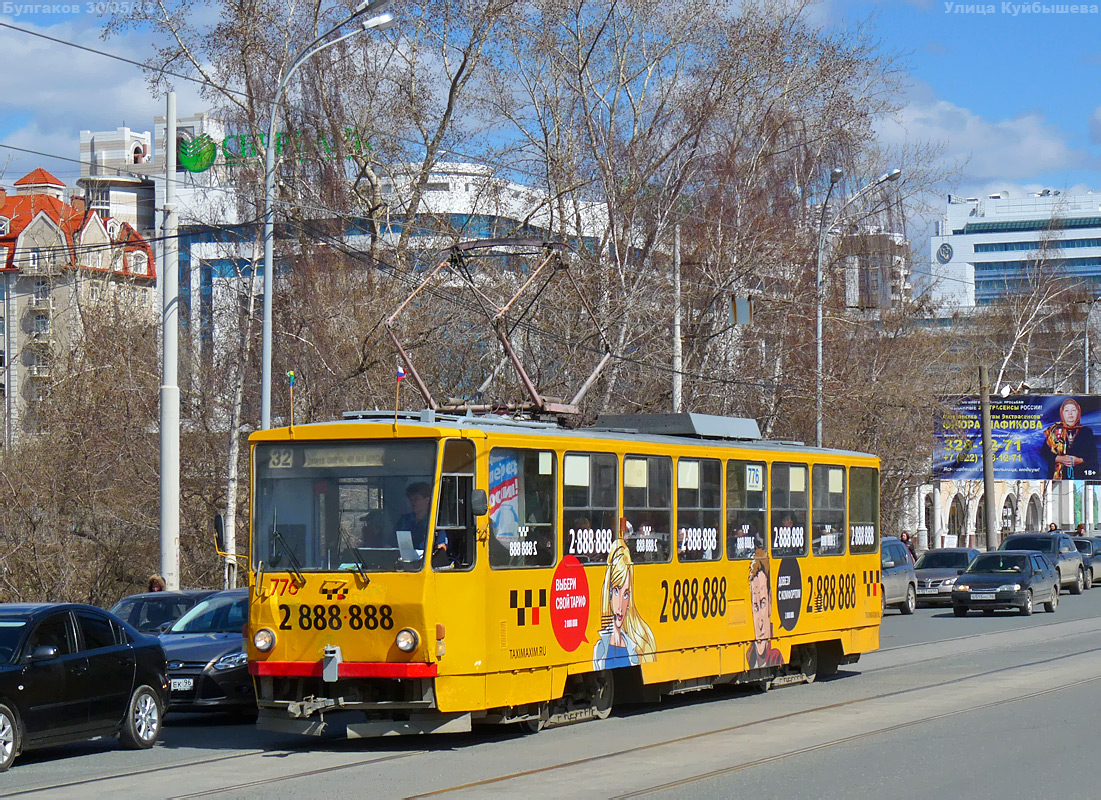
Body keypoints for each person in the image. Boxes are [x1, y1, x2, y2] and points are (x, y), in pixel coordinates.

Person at [593, 539, 656, 669]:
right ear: (609, 593)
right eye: (616, 591)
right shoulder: (598, 649)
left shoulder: (639, 644)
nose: (621, 605)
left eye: (626, 594)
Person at [1041, 398, 1098, 480]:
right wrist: (1059, 458)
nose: (1070, 413)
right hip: (1057, 477)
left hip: (1079, 476)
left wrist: (1079, 460)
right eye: (1066, 410)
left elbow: (1092, 456)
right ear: (1062, 413)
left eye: (1073, 410)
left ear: (1078, 412)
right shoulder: (1054, 430)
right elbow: (1044, 452)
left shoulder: (1086, 431)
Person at [747, 550, 783, 669]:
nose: (760, 624)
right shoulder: (749, 656)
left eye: (763, 603)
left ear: (770, 601)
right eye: (755, 606)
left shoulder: (777, 657)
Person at [395, 481, 447, 556]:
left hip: (425, 562)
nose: (413, 502)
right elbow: (390, 543)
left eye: (416, 499)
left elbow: (442, 548)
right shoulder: (404, 520)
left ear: (427, 500)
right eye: (411, 499)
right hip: (402, 560)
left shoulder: (435, 521)